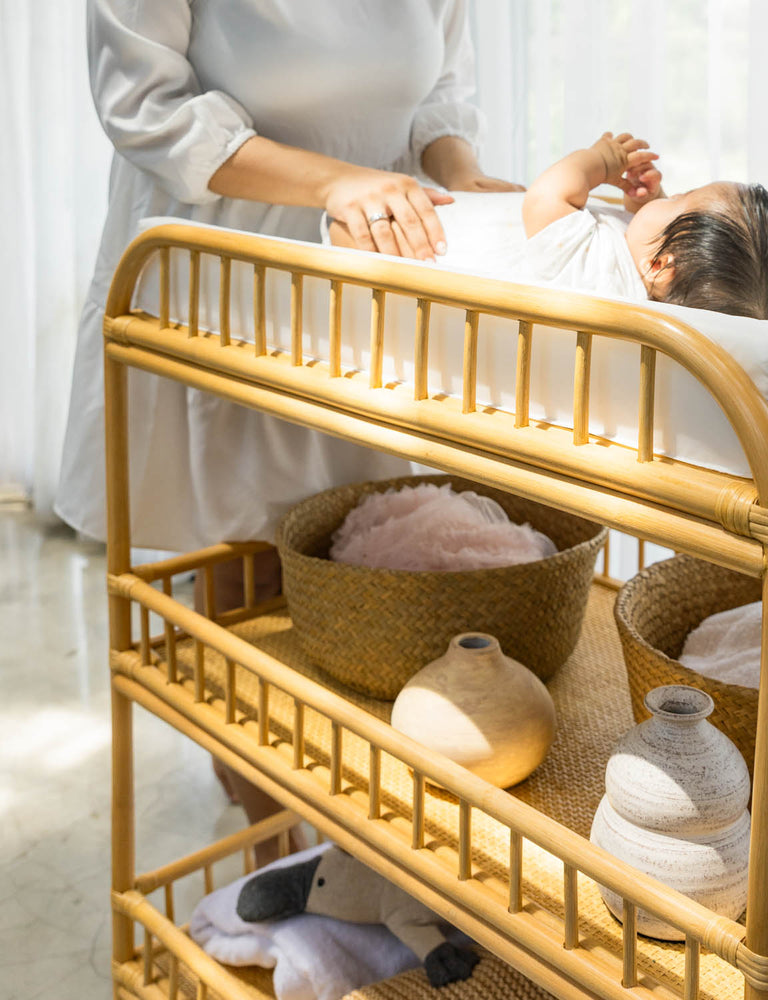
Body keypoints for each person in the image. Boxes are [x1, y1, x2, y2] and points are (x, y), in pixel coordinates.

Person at [57, 0, 521, 864]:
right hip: (223, 280)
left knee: (349, 544)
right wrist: (333, 182)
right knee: (248, 558)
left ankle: (342, 817)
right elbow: (146, 112)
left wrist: (459, 173)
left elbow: (439, 89)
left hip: (365, 280)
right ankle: (269, 836)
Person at [329, 131, 768, 318]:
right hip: (437, 216)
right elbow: (648, 244)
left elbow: (547, 198)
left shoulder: (597, 273)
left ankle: (338, 231)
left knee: (358, 229)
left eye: (682, 199)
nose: (673, 194)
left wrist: (598, 161)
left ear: (662, 265)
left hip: (399, 235)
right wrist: (651, 204)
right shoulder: (642, 282)